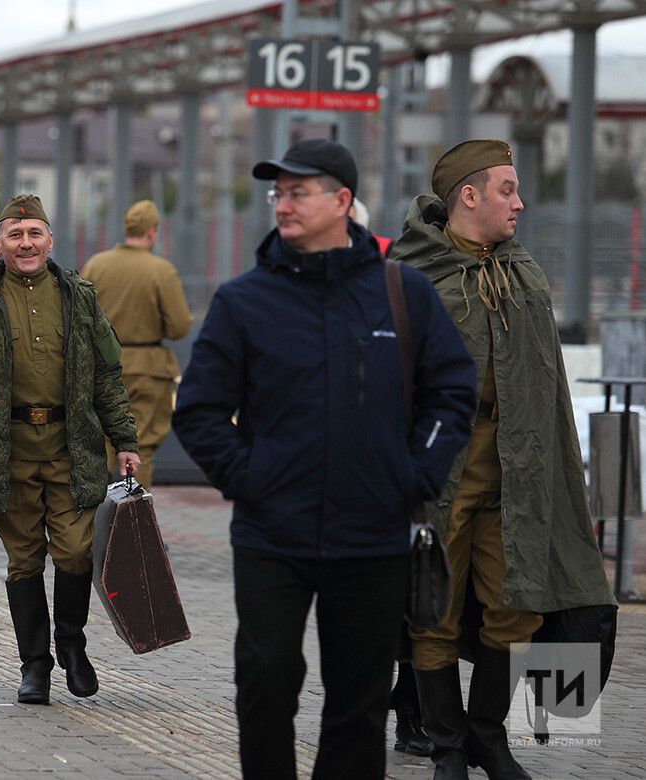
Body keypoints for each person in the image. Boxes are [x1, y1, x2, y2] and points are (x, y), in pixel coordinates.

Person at [172, 138, 476, 779]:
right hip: (272, 535)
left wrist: (413, 472)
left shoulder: (404, 292)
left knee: (359, 703)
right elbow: (198, 412)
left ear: (341, 201)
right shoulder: (243, 300)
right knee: (265, 682)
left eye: (298, 191)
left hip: (372, 537)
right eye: (277, 192)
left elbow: (451, 394)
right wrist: (249, 477)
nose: (283, 203)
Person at [390, 139, 615, 780]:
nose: (520, 204)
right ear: (469, 195)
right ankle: (448, 748)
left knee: (519, 603)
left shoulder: (524, 277)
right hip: (439, 479)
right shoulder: (411, 279)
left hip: (520, 475)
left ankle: (490, 737)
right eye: (507, 190)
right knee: (431, 609)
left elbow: (549, 388)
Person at [0, 194, 141, 706]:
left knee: (73, 551)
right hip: (6, 454)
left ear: (51, 240)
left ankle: (71, 643)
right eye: (15, 235)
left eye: (35, 234)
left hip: (72, 447)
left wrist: (125, 439)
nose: (26, 244)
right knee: (24, 560)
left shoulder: (80, 298)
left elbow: (107, 376)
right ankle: (34, 666)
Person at [350, 197, 432, 759]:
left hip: (410, 471)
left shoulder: (397, 279)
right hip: (378, 476)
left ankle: (420, 717)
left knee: (424, 603)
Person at [80, 199, 193, 488]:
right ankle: (136, 521)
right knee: (141, 444)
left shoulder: (96, 265)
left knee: (103, 441)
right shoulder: (161, 270)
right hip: (148, 369)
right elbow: (179, 327)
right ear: (152, 232)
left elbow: (79, 317)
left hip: (102, 366)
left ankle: (95, 520)